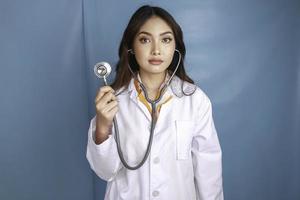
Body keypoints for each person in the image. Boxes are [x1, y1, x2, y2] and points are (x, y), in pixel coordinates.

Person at [86, 5, 223, 200]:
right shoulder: (114, 101)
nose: (156, 50)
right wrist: (102, 127)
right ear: (131, 47)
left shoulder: (195, 100)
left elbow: (209, 172)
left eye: (165, 39)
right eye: (145, 40)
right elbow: (105, 172)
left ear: (175, 47)